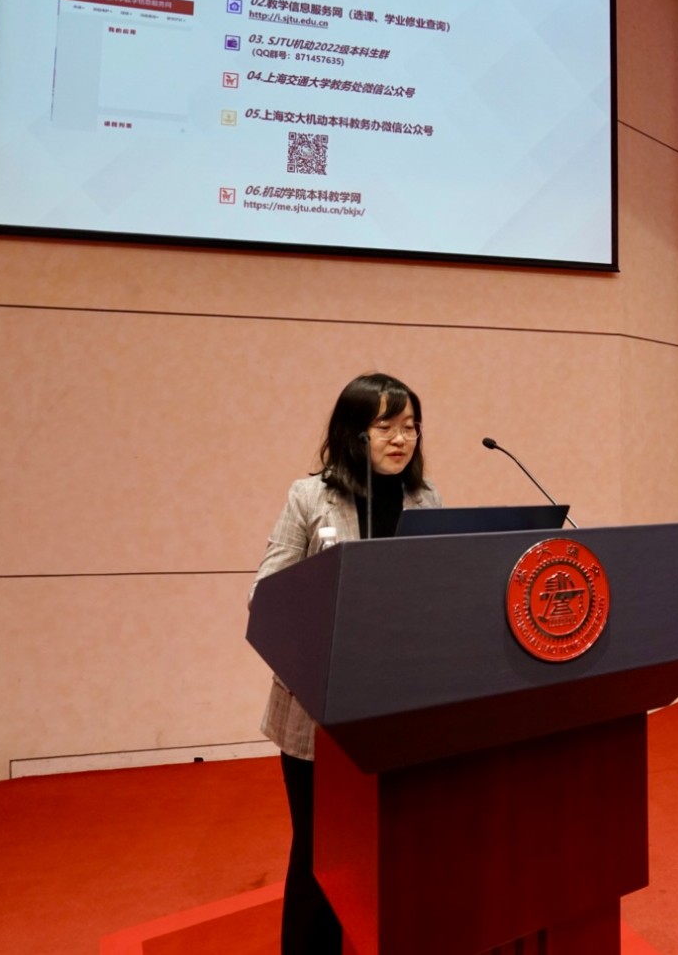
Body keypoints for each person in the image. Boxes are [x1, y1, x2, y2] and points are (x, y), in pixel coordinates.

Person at [249, 372, 441, 955]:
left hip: (397, 704)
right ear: (353, 432)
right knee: (320, 850)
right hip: (318, 707)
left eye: (410, 426)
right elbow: (267, 594)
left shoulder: (425, 499)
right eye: (386, 426)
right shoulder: (310, 497)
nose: (401, 439)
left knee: (392, 844)